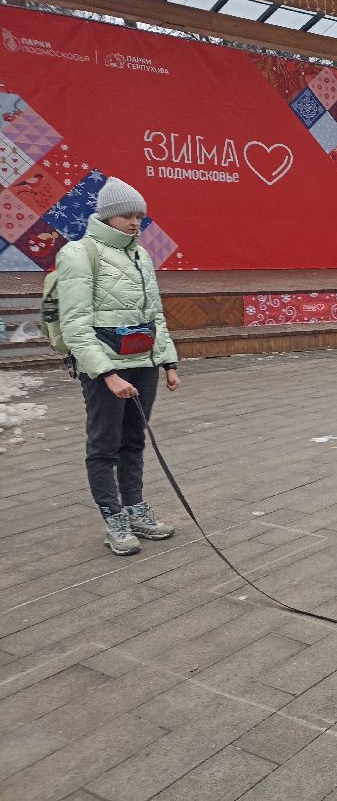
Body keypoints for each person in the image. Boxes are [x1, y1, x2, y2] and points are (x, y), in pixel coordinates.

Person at [56, 177, 181, 555]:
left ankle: (135, 507)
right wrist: (107, 374)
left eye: (140, 216)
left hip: (143, 362)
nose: (134, 223)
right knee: (104, 444)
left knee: (133, 440)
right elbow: (75, 324)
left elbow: (154, 314)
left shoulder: (141, 256)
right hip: (103, 368)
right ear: (107, 215)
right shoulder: (78, 254)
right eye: (127, 215)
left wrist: (168, 360)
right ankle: (114, 517)